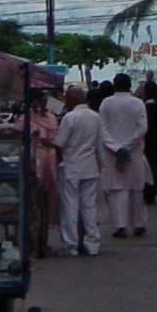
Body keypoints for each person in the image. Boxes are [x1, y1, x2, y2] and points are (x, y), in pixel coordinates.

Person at [52, 86, 102, 256]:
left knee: (70, 207)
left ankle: (71, 244)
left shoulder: (70, 118)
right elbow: (99, 144)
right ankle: (92, 242)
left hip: (71, 166)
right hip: (90, 166)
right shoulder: (96, 117)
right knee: (89, 206)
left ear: (73, 99)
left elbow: (59, 144)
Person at [98, 71, 149, 237]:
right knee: (135, 189)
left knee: (115, 190)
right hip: (133, 152)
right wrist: (128, 146)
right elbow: (142, 128)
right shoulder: (138, 103)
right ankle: (138, 224)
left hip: (112, 153)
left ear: (115, 85)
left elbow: (102, 129)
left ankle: (120, 226)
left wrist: (116, 147)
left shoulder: (106, 103)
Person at [26, 90, 60, 257]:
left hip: (49, 158)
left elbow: (56, 138)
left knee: (48, 197)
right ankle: (34, 241)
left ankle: (43, 237)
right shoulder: (25, 118)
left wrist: (46, 141)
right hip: (34, 158)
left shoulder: (51, 118)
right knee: (34, 202)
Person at [138, 78, 157, 205]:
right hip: (156, 137)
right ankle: (152, 192)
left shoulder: (141, 105)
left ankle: (144, 190)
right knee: (154, 166)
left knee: (143, 165)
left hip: (144, 137)